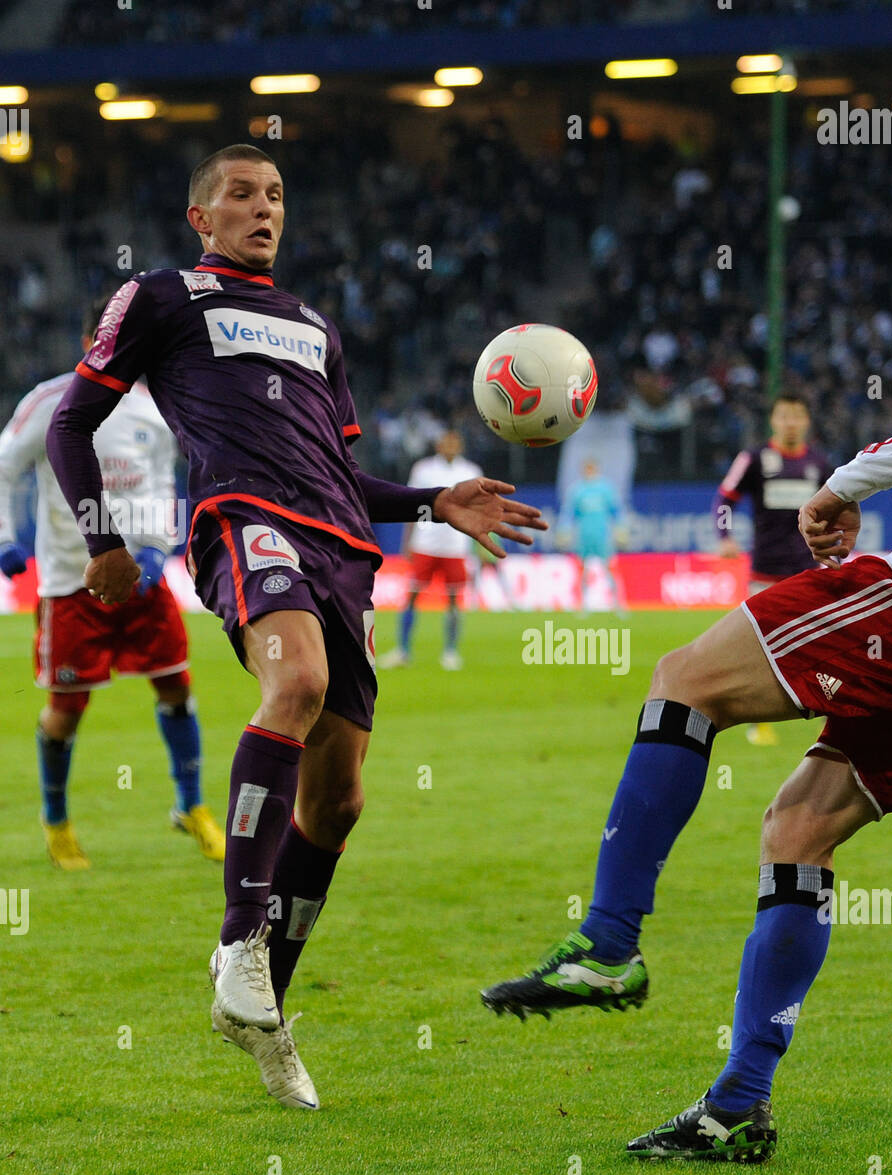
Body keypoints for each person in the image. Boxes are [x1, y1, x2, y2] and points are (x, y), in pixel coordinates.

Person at [482, 141, 892, 1162]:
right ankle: (738, 1107)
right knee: (796, 828)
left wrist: (848, 481)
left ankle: (608, 945)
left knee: (681, 681)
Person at [47, 144, 544, 1109]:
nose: (262, 209)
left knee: (341, 799)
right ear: (202, 216)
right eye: (240, 195)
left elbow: (342, 476)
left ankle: (264, 1003)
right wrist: (101, 540)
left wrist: (435, 501)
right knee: (298, 686)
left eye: (275, 196)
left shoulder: (316, 328)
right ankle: (239, 942)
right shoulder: (159, 297)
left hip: (341, 549)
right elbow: (74, 421)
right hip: (242, 518)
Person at [0, 297, 225, 870]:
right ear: (88, 344)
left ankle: (191, 806)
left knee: (175, 687)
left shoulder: (153, 412)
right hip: (71, 586)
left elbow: (158, 490)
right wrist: (4, 537)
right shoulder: (48, 404)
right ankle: (56, 821)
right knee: (67, 707)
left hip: (143, 586)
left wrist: (156, 549)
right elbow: (5, 467)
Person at [715, 395, 833, 744]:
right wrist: (724, 536)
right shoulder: (753, 459)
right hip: (765, 571)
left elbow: (837, 509)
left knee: (819, 643)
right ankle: (758, 721)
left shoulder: (820, 463)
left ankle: (822, 710)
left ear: (807, 421)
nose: (791, 423)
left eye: (797, 416)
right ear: (774, 421)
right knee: (760, 649)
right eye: (784, 416)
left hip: (807, 571)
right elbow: (725, 499)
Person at [380, 430, 481, 671]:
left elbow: (477, 511)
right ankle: (403, 651)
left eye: (454, 442)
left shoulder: (471, 472)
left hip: (455, 546)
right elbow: (411, 505)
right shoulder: (423, 469)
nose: (449, 446)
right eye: (445, 442)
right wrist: (407, 542)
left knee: (454, 600)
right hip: (425, 544)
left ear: (460, 446)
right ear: (438, 445)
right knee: (412, 596)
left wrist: (476, 546)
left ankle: (451, 652)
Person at [560, 457, 624, 611]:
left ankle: (618, 604)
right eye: (587, 469)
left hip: (602, 534)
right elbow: (568, 514)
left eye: (591, 469)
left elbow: (616, 511)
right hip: (584, 535)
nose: (589, 472)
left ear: (596, 469)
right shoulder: (577, 490)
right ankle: (583, 604)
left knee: (609, 567)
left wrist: (621, 529)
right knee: (582, 568)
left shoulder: (605, 489)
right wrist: (564, 530)